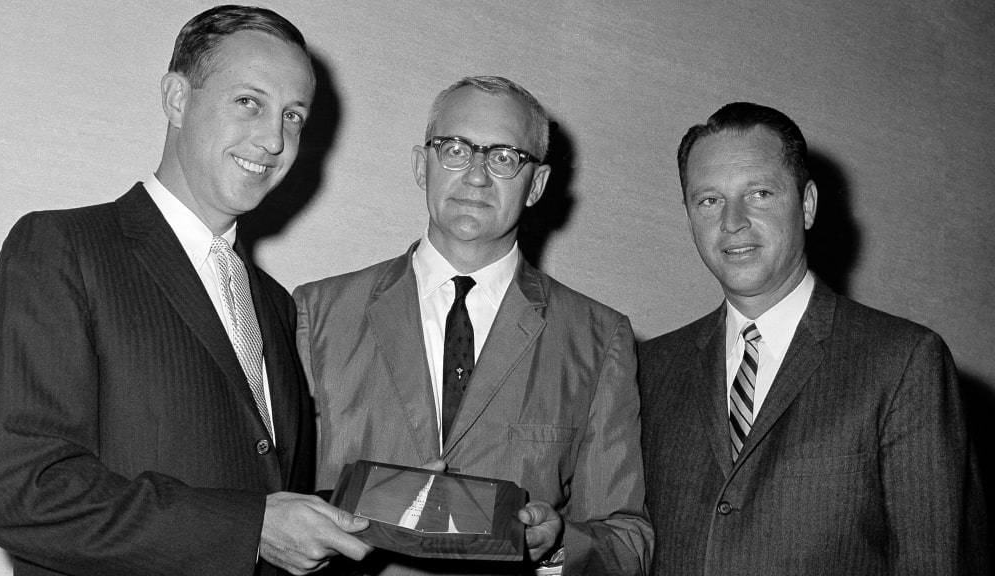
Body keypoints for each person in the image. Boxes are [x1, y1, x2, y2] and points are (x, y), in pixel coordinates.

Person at [0, 6, 372, 575]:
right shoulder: (63, 247)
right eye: (249, 102)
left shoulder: (277, 305)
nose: (274, 139)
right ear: (177, 99)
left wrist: (400, 511)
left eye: (294, 116)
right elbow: (22, 491)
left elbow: (268, 497)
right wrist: (251, 528)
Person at [293, 76, 652, 575]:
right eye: (456, 149)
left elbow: (626, 540)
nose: (478, 176)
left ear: (538, 184)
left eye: (505, 157)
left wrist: (557, 546)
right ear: (423, 165)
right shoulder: (319, 312)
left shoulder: (598, 338)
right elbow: (274, 505)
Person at [639, 101, 989, 575]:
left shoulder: (904, 361)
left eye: (759, 193)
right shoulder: (650, 368)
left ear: (806, 205)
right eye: (709, 200)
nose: (732, 221)